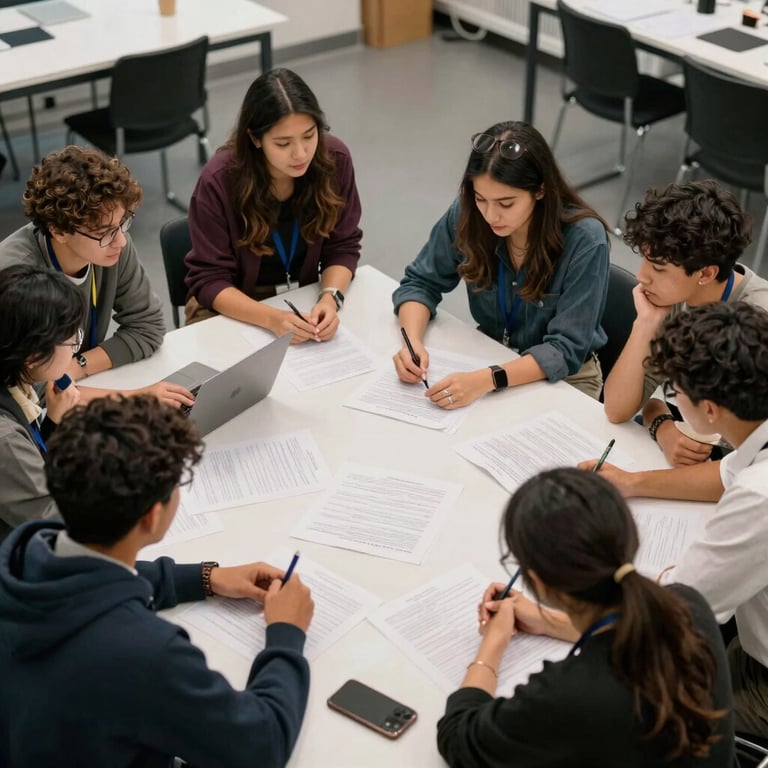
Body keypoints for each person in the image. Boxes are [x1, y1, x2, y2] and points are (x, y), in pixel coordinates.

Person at [0, 394, 315, 768]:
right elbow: (262, 747)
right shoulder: (147, 654)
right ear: (152, 517)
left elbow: (86, 578)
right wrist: (286, 635)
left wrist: (205, 578)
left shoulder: (21, 556)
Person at [437, 468, 733, 767]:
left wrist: (493, 644)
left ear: (539, 583)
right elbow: (632, 630)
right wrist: (549, 622)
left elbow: (460, 738)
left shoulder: (570, 694)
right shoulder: (687, 604)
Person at [584, 301, 768, 738]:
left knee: (622, 712)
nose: (671, 399)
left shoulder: (760, 495)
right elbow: (726, 473)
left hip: (761, 677)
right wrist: (630, 482)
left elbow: (680, 604)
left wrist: (568, 610)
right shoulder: (756, 428)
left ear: (708, 412)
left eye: (674, 393)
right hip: (749, 636)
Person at [392, 121, 610, 408]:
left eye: (506, 204)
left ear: (540, 191)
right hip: (491, 357)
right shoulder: (468, 214)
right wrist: (411, 342)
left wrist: (487, 379)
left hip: (564, 378)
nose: (491, 215)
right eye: (481, 198)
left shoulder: (584, 240)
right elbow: (421, 283)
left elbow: (564, 349)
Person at [0, 145, 193, 409]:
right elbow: (29, 388)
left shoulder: (110, 244)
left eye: (123, 223)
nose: (121, 241)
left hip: (73, 394)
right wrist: (135, 398)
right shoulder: (15, 274)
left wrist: (77, 366)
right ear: (59, 231)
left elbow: (148, 325)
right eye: (104, 232)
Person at [185, 67, 362, 342]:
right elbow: (209, 280)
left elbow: (343, 246)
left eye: (309, 135)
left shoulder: (334, 160)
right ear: (255, 139)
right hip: (230, 305)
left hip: (302, 298)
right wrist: (271, 318)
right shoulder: (219, 181)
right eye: (283, 143)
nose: (301, 153)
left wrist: (330, 297)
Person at [603, 180, 768, 467]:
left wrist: (632, 482)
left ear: (705, 273)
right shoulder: (676, 296)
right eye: (644, 260)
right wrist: (646, 323)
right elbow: (617, 409)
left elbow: (753, 464)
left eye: (657, 268)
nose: (642, 276)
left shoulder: (758, 322)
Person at [0, 264, 84, 539]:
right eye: (72, 340)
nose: (75, 348)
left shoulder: (13, 379)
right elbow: (63, 528)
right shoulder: (5, 439)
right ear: (33, 356)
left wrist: (53, 424)